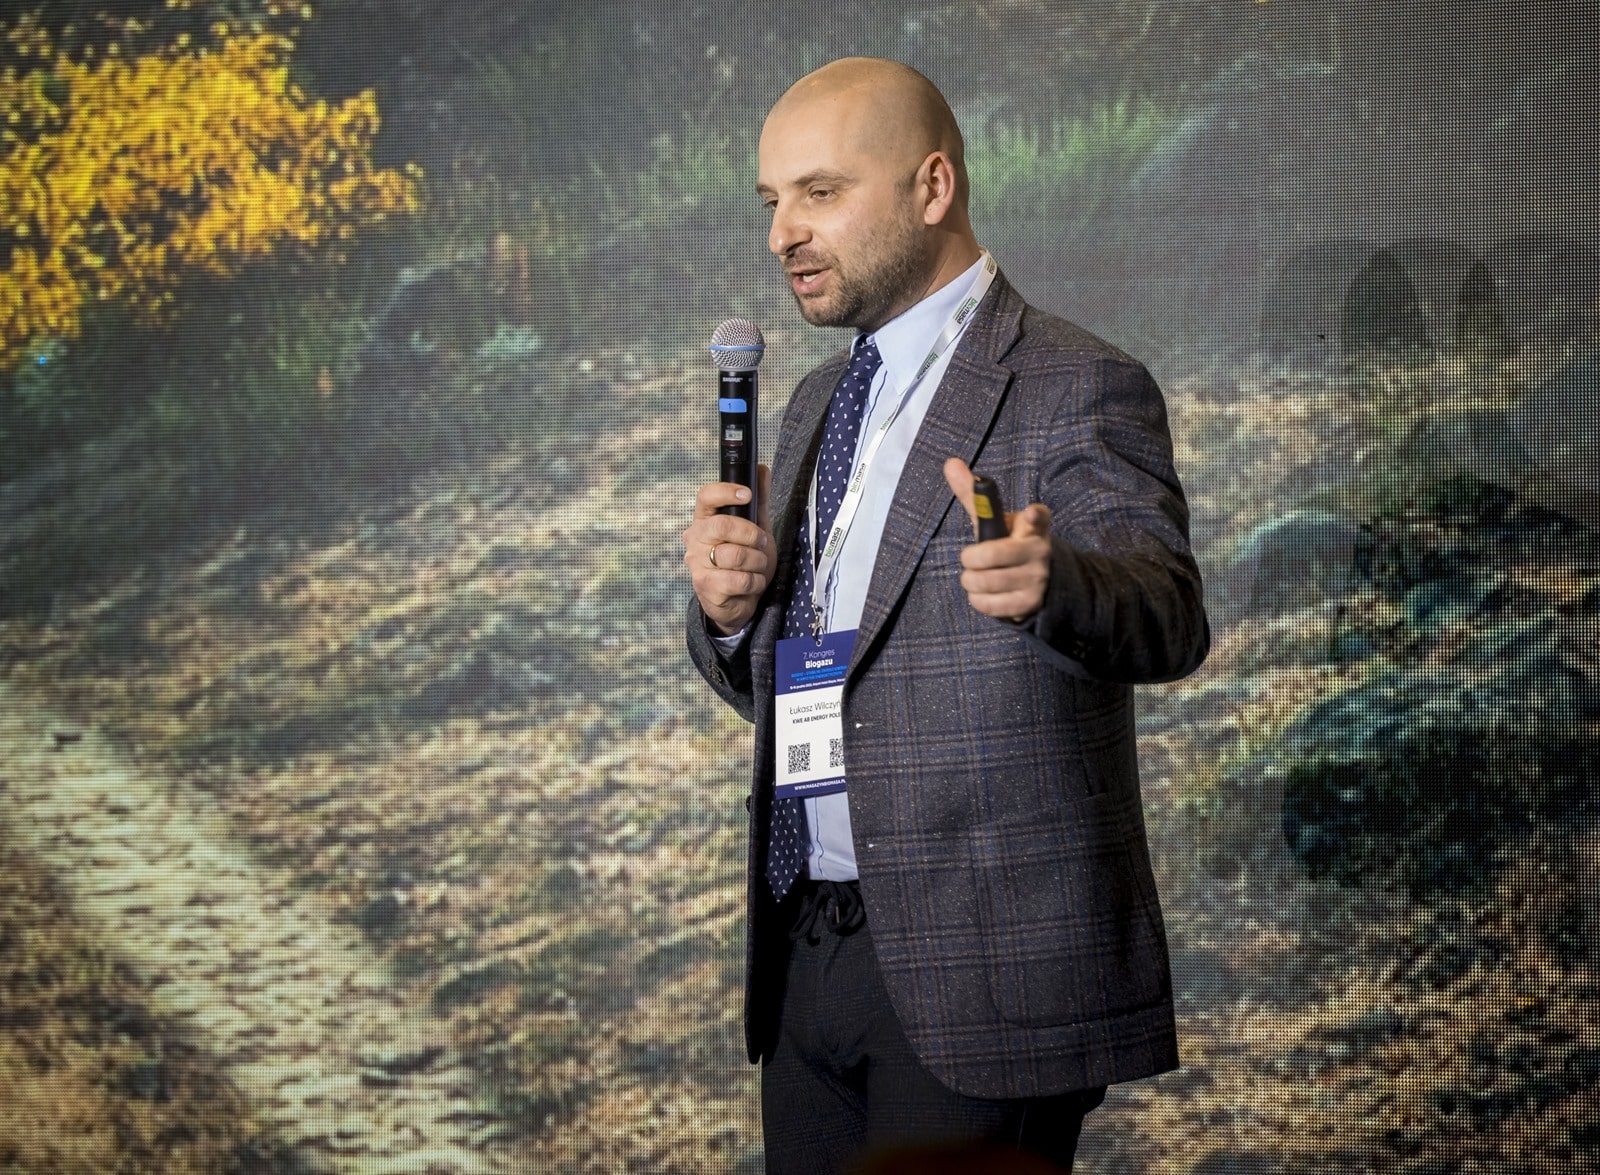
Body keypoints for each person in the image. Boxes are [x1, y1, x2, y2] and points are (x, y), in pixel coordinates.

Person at [683, 57, 1208, 1174]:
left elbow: (1169, 612)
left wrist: (1058, 582)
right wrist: (730, 618)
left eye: (820, 192)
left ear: (932, 188)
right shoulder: (819, 399)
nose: (782, 233)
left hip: (984, 968)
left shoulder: (1074, 380)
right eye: (771, 200)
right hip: (808, 948)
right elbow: (821, 673)